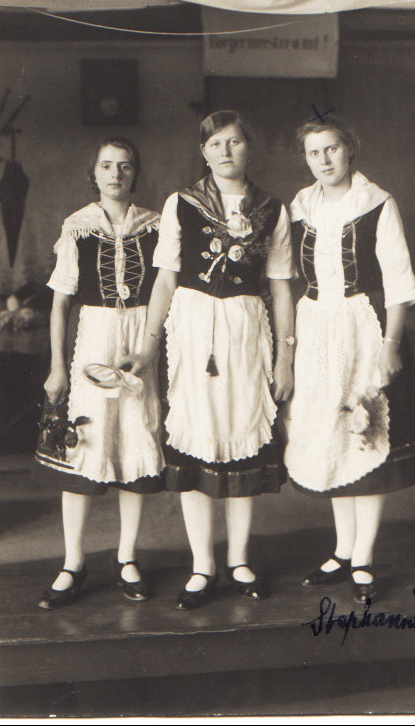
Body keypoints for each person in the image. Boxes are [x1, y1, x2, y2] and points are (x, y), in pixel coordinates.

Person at [122, 110, 296, 609]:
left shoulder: (271, 208)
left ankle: (239, 560)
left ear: (249, 148)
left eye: (235, 141)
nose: (225, 151)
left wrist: (285, 357)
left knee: (241, 436)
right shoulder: (182, 203)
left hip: (246, 331)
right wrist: (150, 342)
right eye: (216, 143)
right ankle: (203, 565)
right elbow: (165, 279)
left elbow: (281, 289)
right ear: (203, 151)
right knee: (196, 438)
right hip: (192, 332)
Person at [284, 114, 415, 603]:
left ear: (350, 149)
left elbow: (398, 280)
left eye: (331, 149)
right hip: (315, 330)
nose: (324, 160)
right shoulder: (300, 205)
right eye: (314, 152)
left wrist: (391, 345)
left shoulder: (377, 203)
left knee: (364, 431)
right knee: (333, 434)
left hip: (364, 327)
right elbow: (285, 275)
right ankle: (341, 550)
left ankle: (364, 558)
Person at [34, 137, 165, 608]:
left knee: (134, 443)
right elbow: (60, 303)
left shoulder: (156, 225)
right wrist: (56, 366)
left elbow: (167, 290)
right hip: (93, 336)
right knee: (83, 448)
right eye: (107, 166)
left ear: (135, 173)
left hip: (139, 337)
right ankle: (73, 561)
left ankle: (127, 557)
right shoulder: (77, 227)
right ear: (93, 173)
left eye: (125, 166)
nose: (115, 174)